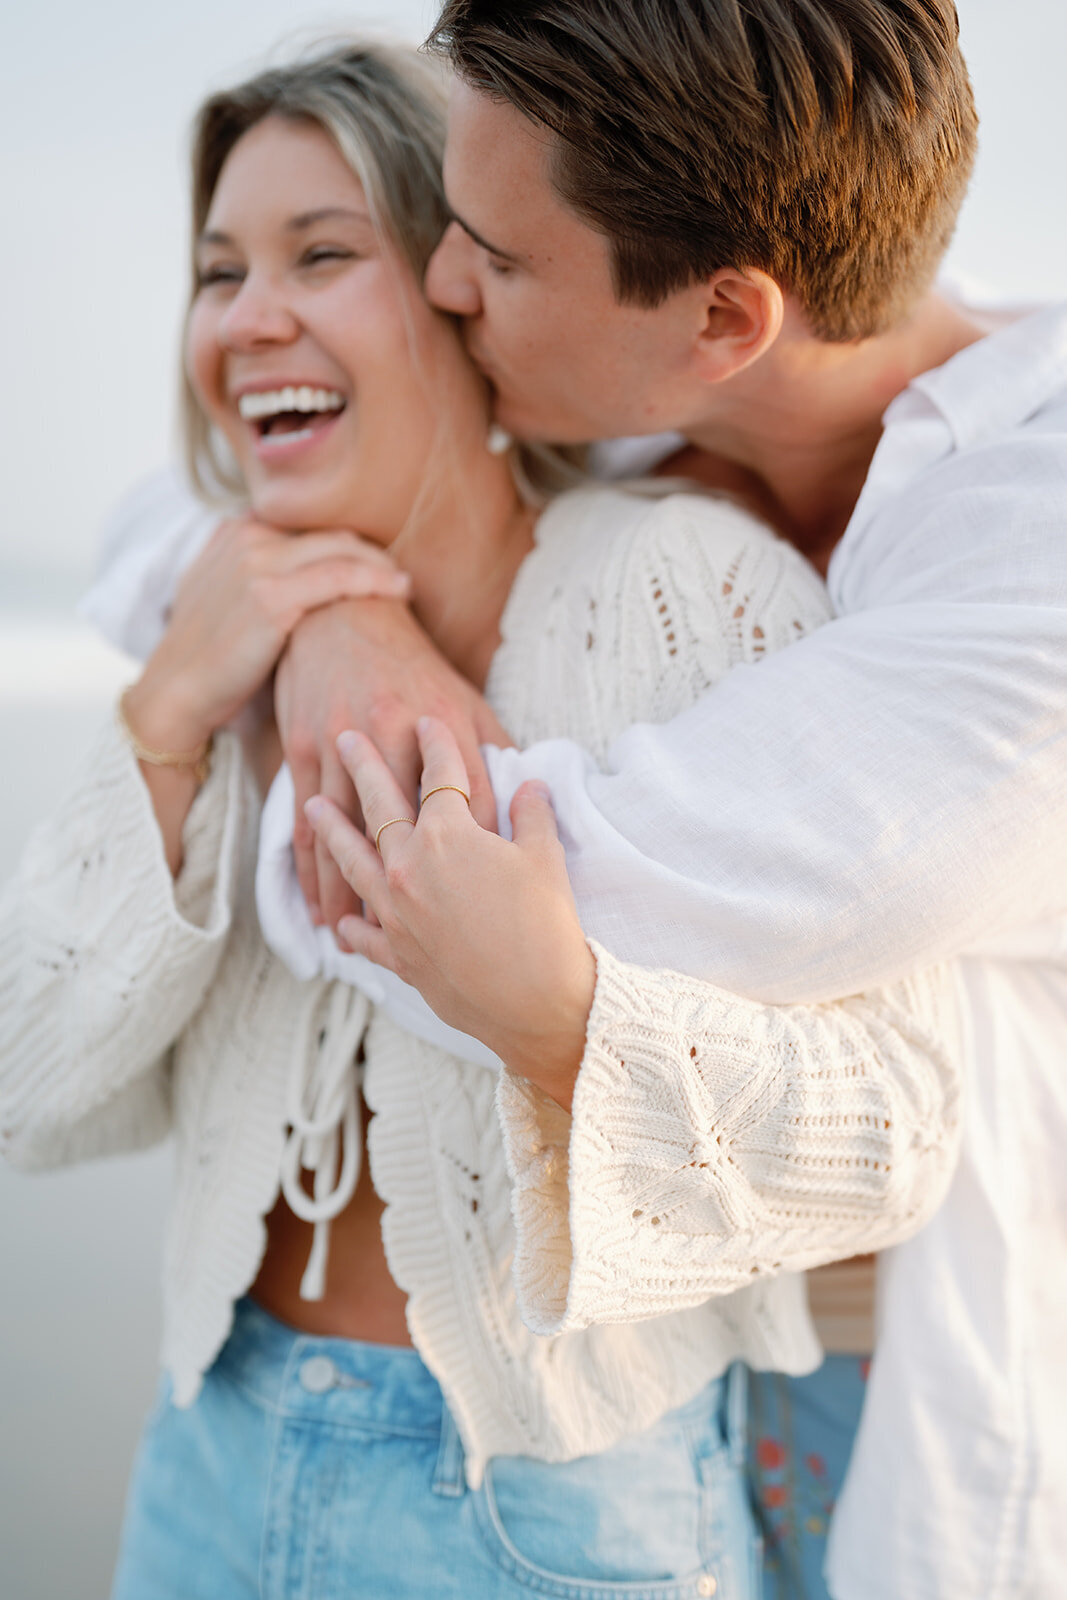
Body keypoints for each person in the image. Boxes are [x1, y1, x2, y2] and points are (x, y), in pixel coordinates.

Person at [0, 38, 962, 1600]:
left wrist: (561, 1020)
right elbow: (29, 1094)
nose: (250, 318)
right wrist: (169, 717)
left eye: (323, 254)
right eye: (218, 269)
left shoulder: (689, 593)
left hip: (551, 1522)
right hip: (205, 1460)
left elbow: (895, 1137)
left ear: (462, 284)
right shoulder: (228, 624)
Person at [208, 5, 1062, 1598]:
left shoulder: (1040, 564)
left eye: (499, 261)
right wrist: (341, 623)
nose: (447, 286)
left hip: (942, 1430)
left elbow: (535, 898)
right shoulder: (627, 414)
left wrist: (310, 701)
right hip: (673, 1388)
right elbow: (184, 505)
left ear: (727, 316)